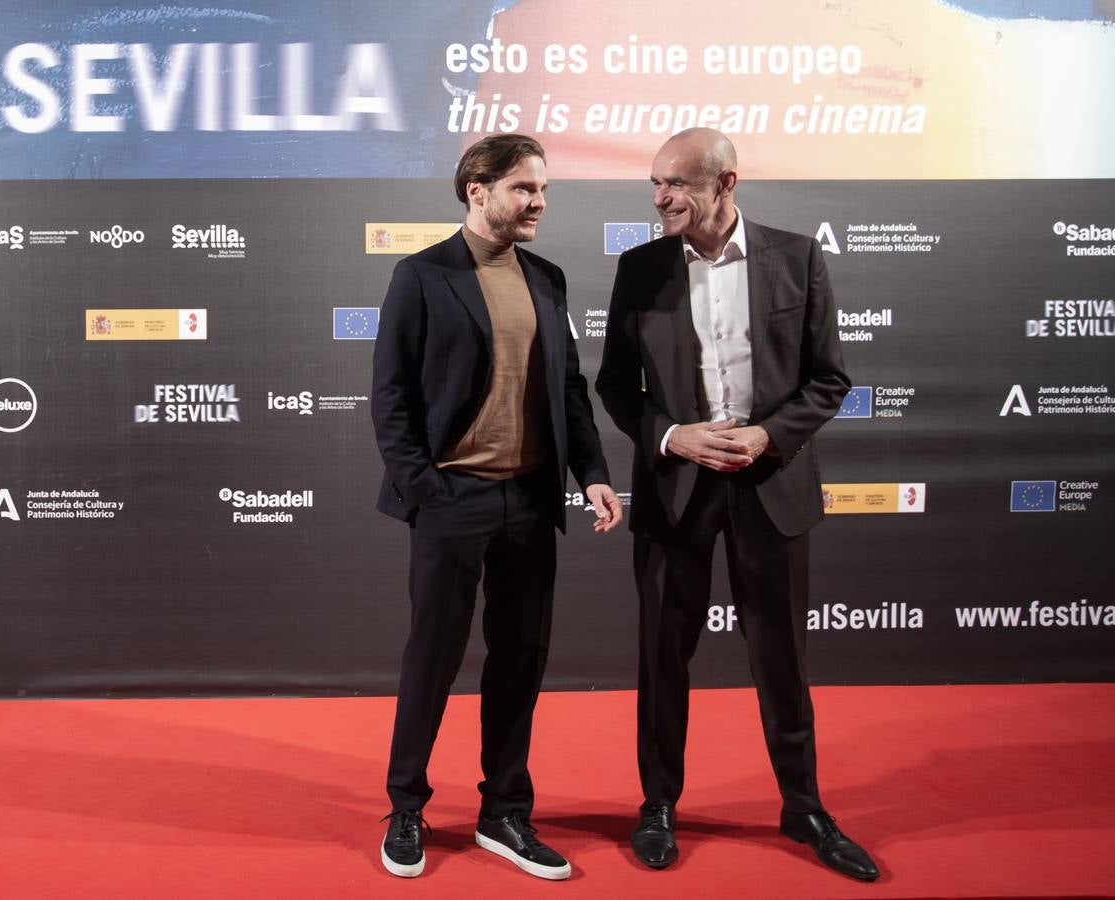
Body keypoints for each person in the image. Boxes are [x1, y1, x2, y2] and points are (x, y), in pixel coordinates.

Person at [595, 128, 878, 881]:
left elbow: (828, 380)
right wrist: (671, 436)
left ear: (726, 184)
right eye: (655, 185)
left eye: (677, 186)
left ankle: (804, 805)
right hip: (675, 490)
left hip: (769, 488)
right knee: (662, 655)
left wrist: (764, 436)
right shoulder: (641, 267)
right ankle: (658, 805)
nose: (660, 199)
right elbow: (616, 386)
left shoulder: (797, 257)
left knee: (781, 656)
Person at [372, 133, 623, 881]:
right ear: (477, 190)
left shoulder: (547, 277)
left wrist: (594, 472)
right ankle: (407, 806)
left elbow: (567, 389)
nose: (539, 202)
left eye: (542, 189)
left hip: (531, 499)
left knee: (520, 662)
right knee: (434, 659)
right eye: (524, 189)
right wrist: (426, 491)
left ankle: (505, 812)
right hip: (453, 501)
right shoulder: (421, 276)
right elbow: (390, 400)